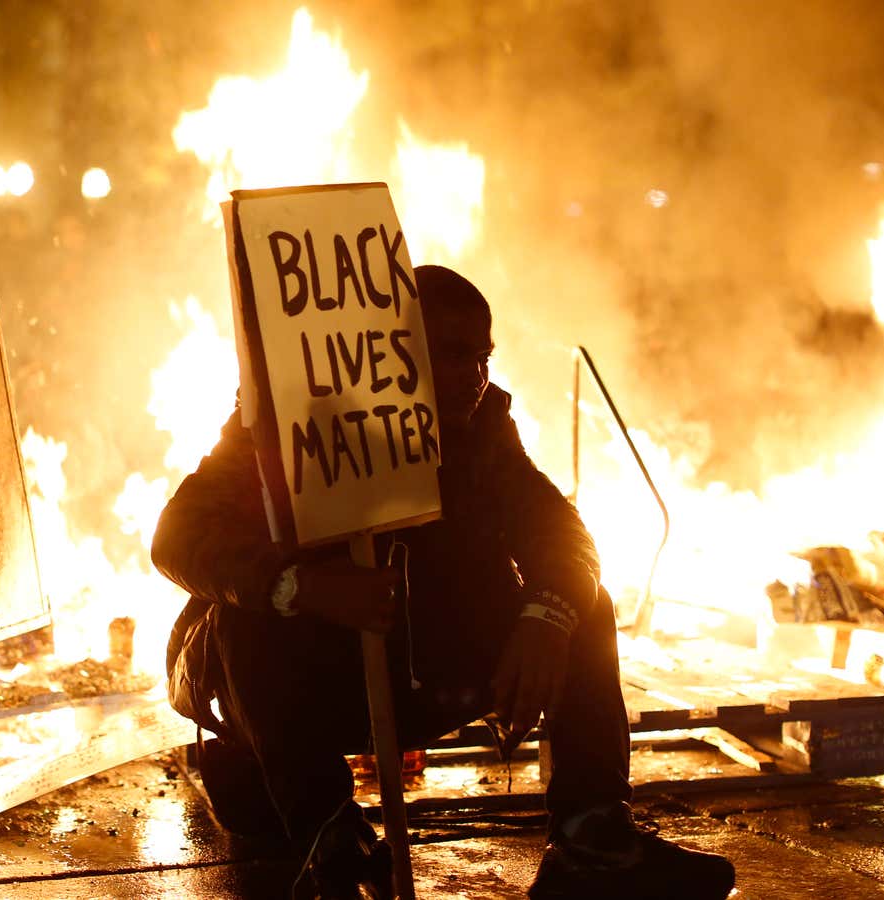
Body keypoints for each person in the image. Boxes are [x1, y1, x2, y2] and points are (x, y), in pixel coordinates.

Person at [151, 265, 736, 899]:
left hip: (423, 677)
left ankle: (590, 839)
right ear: (394, 349)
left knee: (579, 602)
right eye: (452, 354)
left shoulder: (482, 427)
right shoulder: (287, 423)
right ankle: (331, 842)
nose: (476, 376)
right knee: (253, 612)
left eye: (483, 355)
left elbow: (561, 532)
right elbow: (178, 535)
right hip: (289, 712)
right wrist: (305, 586)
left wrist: (547, 616)